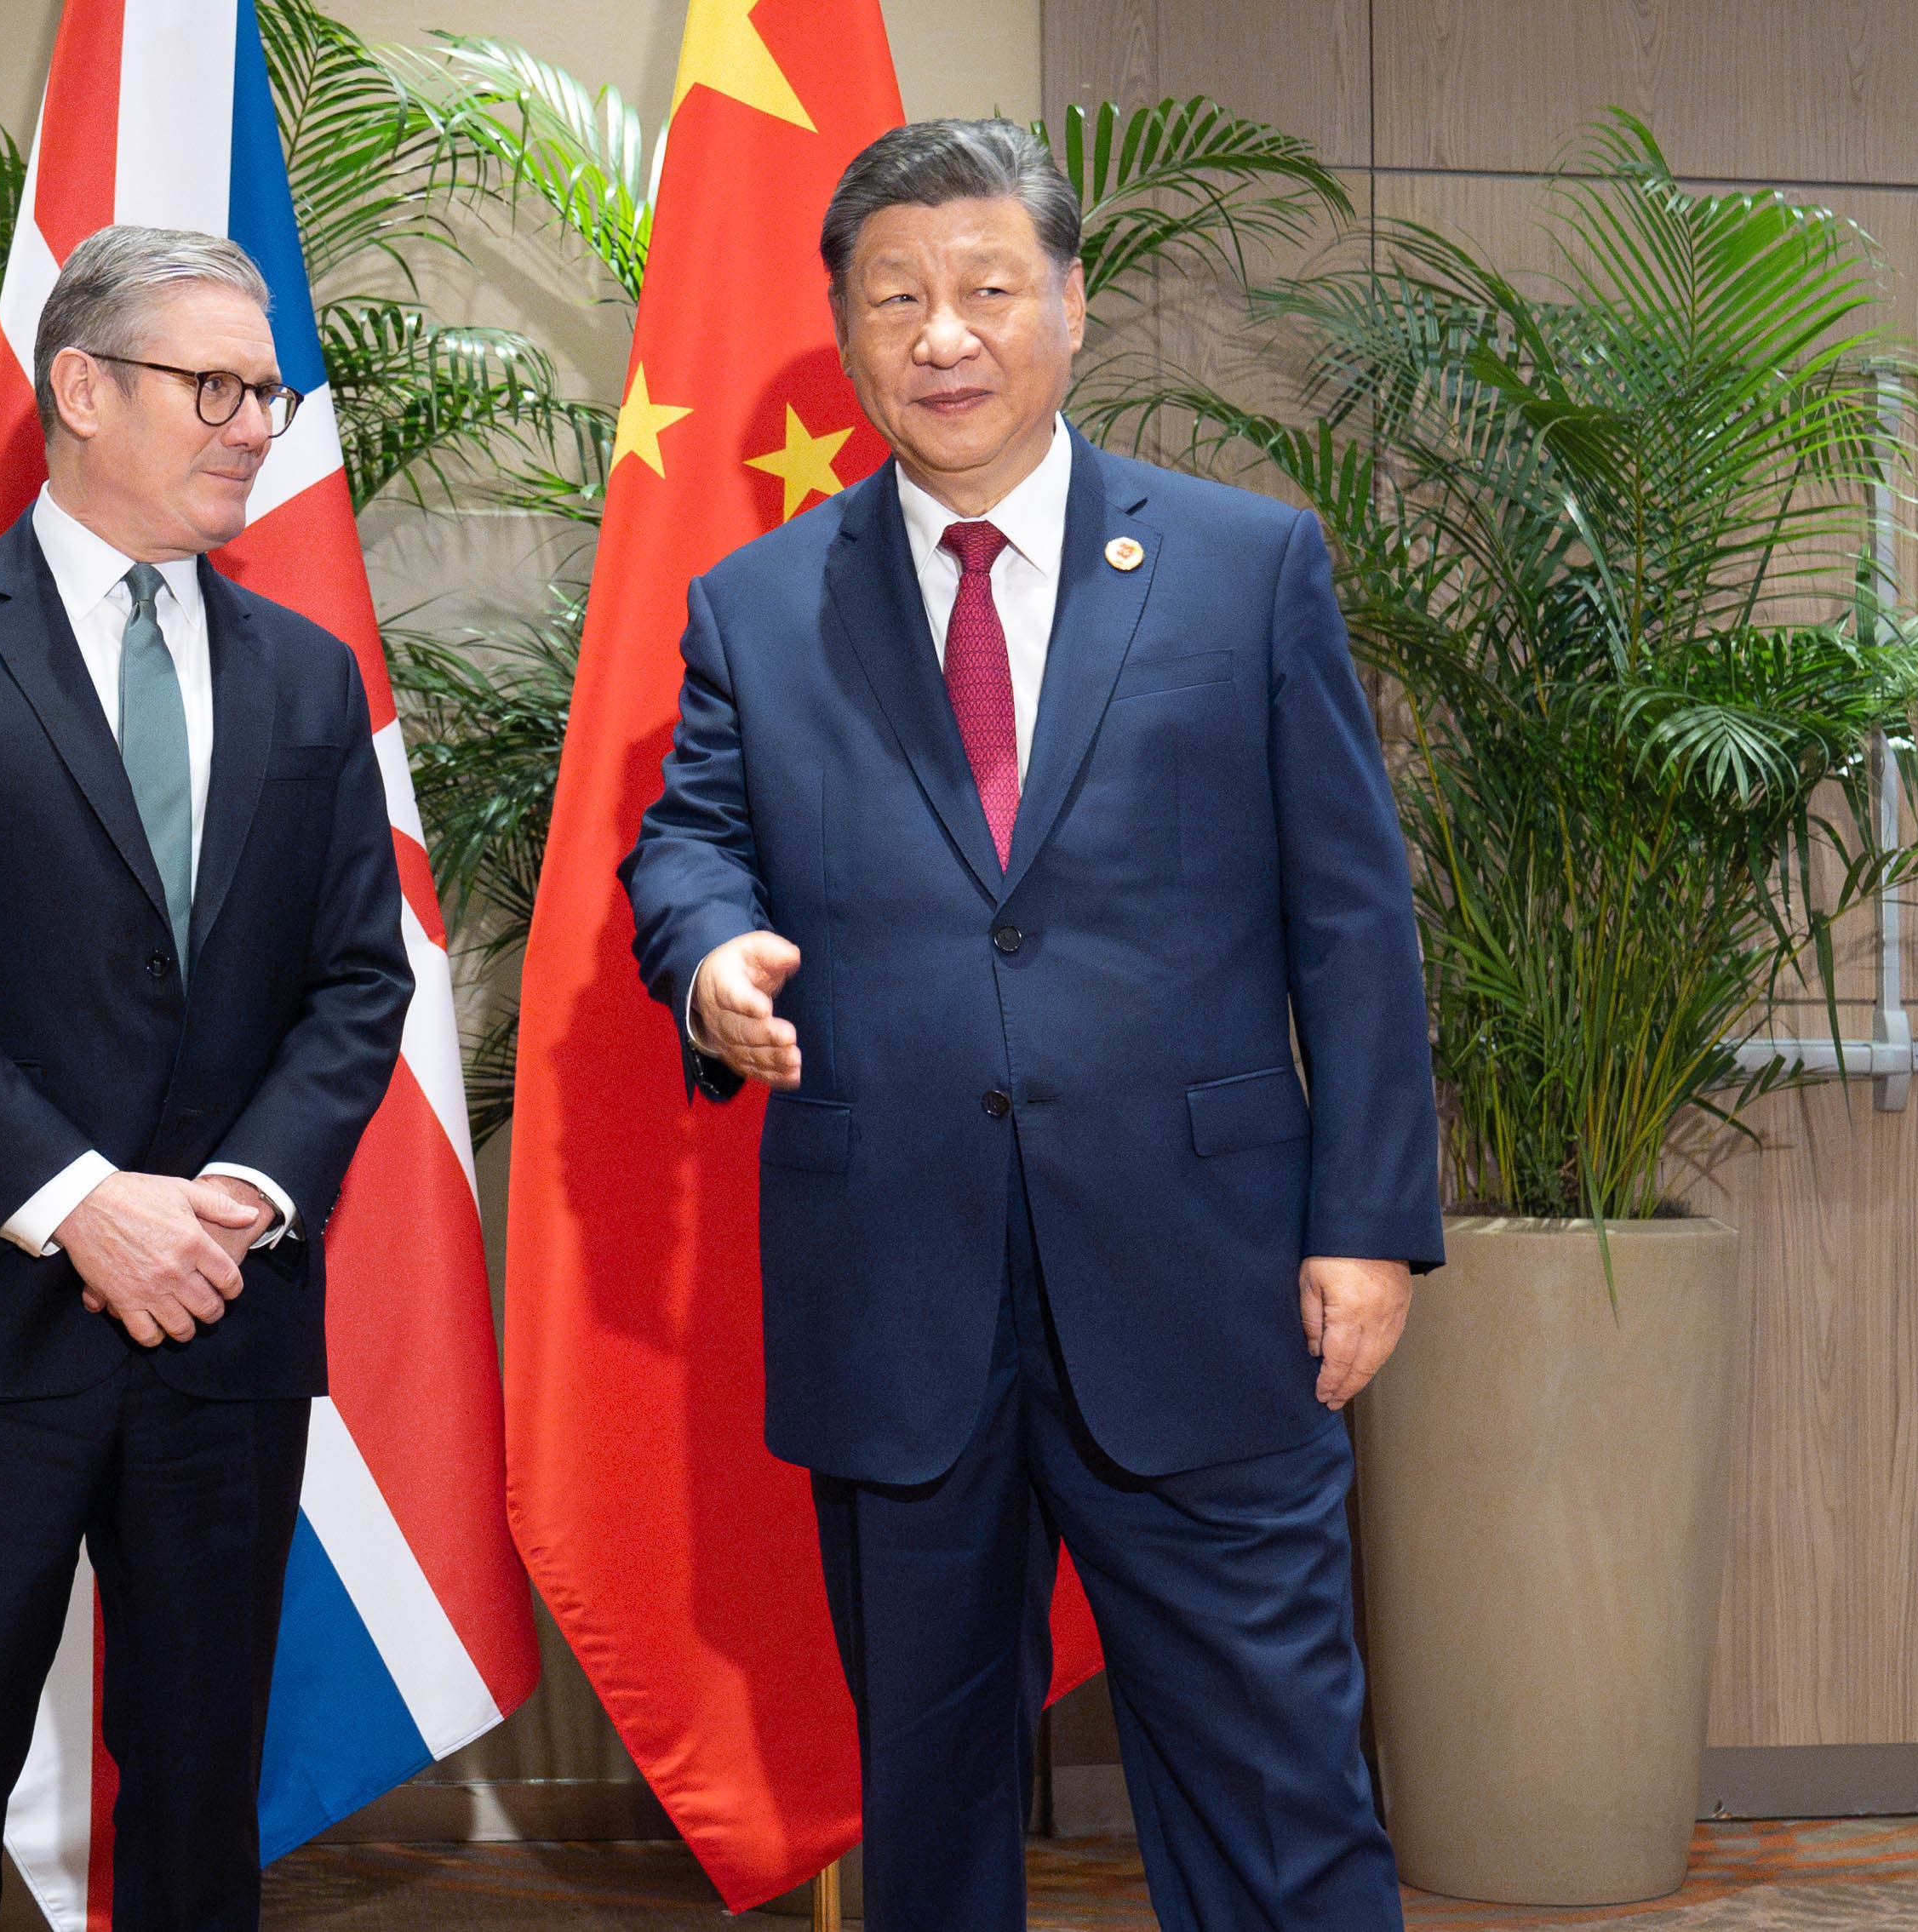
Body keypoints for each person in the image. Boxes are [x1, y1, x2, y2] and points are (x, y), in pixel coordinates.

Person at [619, 121, 1445, 1929]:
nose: (943, 334)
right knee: (927, 1803)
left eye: (987, 288)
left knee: (1273, 1776)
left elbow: (1349, 915)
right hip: (893, 1280)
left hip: (1207, 1277)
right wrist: (702, 960)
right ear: (840, 327)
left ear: (1069, 305)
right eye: (896, 296)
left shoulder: (1243, 566)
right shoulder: (759, 606)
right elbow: (686, 836)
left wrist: (1365, 1222)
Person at [0, 224, 411, 1932]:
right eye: (212, 386)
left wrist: (242, 1195)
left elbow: (360, 976)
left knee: (204, 1801)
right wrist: (78, 1204)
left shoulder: (305, 674)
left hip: (221, 1315)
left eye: (263, 394)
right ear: (78, 387)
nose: (248, 425)